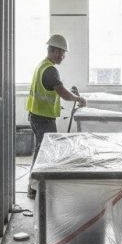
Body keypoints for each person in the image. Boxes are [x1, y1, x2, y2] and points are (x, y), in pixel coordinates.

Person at [26, 34, 85, 197]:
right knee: (44, 152)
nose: (63, 56)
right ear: (55, 51)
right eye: (63, 53)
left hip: (36, 115)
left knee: (41, 150)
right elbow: (63, 93)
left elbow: (55, 88)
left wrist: (70, 93)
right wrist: (77, 98)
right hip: (43, 118)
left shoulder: (42, 65)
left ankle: (35, 185)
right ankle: (34, 187)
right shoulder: (50, 70)